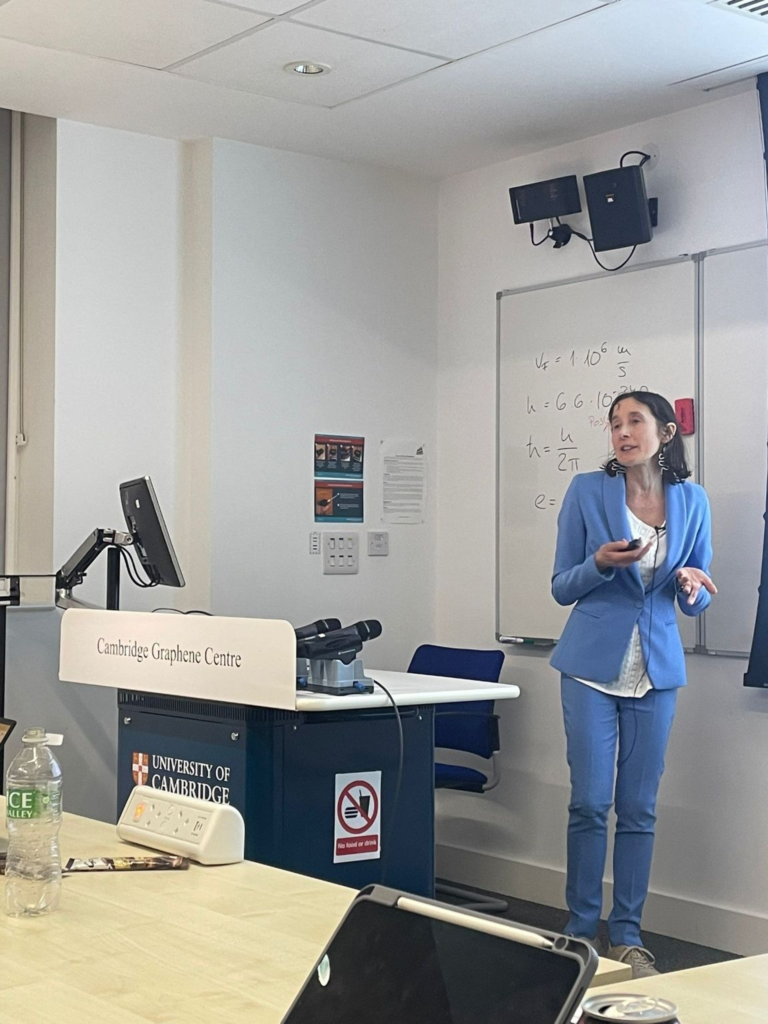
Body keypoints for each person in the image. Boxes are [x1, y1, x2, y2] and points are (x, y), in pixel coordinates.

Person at [550, 391, 716, 978]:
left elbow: (694, 594)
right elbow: (561, 586)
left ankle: (626, 935)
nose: (622, 432)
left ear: (665, 433)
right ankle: (578, 931)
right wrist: (599, 563)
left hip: (657, 669)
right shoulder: (586, 492)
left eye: (634, 421)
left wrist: (692, 585)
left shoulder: (692, 500)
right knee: (590, 803)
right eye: (615, 423)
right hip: (590, 667)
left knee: (639, 808)